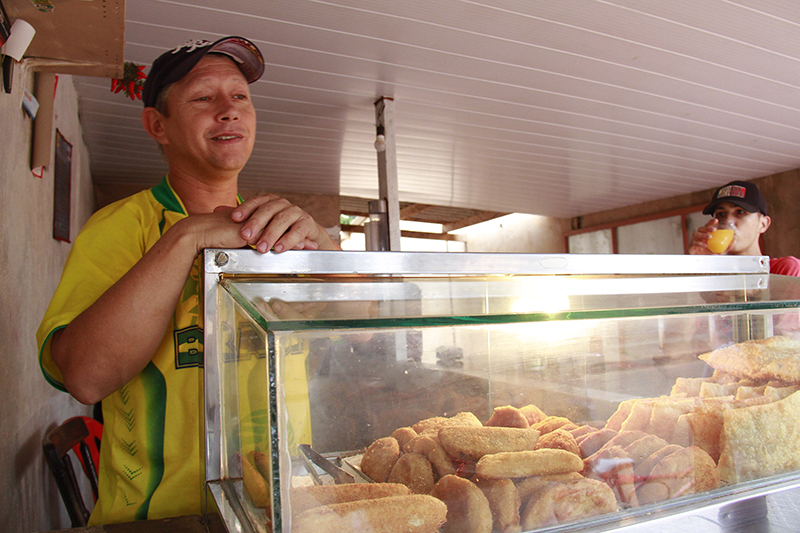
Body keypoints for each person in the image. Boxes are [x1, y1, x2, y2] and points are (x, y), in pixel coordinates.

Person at [36, 36, 340, 525]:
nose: (228, 110)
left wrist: (327, 250)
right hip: (161, 521)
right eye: (203, 98)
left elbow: (365, 332)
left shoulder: (279, 230)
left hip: (284, 510)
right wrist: (188, 237)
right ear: (158, 125)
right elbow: (85, 378)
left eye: (240, 96)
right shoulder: (120, 227)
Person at [687, 180, 800, 275]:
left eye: (740, 212)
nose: (728, 221)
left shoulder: (784, 269)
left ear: (763, 224)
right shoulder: (716, 273)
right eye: (721, 214)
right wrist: (698, 264)